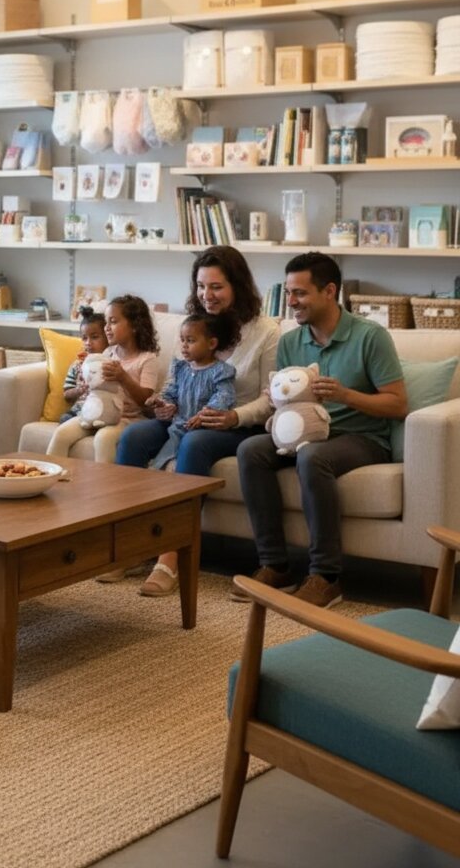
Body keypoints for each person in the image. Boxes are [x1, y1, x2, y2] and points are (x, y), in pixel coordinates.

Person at [232, 252, 406, 608]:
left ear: (329, 291)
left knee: (313, 457)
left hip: (361, 437)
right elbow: (289, 401)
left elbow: (397, 404)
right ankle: (275, 565)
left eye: (299, 293)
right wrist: (276, 397)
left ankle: (326, 577)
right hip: (303, 433)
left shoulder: (370, 337)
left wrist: (345, 395)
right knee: (250, 450)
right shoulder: (292, 341)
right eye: (288, 292)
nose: (291, 301)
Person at [115, 246, 279, 597]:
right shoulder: (192, 326)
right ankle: (127, 546)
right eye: (201, 286)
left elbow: (271, 398)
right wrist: (164, 406)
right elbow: (176, 382)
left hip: (236, 424)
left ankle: (169, 558)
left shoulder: (266, 331)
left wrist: (233, 415)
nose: (207, 295)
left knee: (195, 443)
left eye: (216, 287)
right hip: (185, 416)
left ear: (238, 285)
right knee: (133, 438)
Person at [47, 297, 159, 460]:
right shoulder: (108, 353)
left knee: (103, 438)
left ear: (135, 325)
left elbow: (145, 401)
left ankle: (105, 485)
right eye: (106, 322)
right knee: (61, 434)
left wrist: (123, 377)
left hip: (128, 418)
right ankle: (51, 478)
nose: (106, 328)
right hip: (96, 413)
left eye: (112, 322)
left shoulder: (147, 359)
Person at [148, 313, 238, 471]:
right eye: (182, 340)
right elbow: (171, 393)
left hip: (207, 428)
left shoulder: (221, 371)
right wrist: (164, 404)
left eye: (190, 341)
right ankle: (158, 472)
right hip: (180, 426)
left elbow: (224, 396)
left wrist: (203, 416)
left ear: (211, 344)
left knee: (177, 447)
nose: (184, 345)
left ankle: (157, 473)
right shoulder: (181, 368)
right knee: (174, 439)